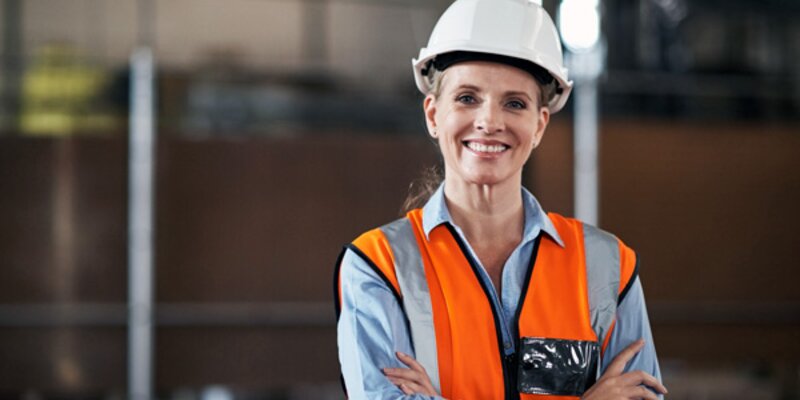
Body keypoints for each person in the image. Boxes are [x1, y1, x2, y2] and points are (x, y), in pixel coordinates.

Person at [334, 0, 668, 398]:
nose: (490, 122)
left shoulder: (608, 267)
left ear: (539, 124)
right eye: (467, 98)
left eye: (514, 103)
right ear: (433, 114)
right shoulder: (378, 267)